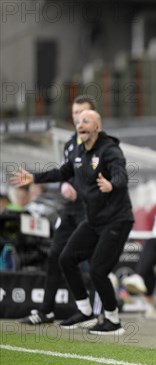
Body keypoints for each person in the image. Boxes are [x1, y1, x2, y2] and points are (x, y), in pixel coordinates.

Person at [11, 109, 134, 335]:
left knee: (98, 269)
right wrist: (34, 178)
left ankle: (113, 321)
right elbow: (63, 172)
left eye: (86, 120)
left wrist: (112, 184)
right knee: (65, 258)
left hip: (117, 220)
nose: (80, 123)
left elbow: (122, 175)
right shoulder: (78, 152)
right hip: (94, 220)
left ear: (97, 127)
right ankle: (84, 310)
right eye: (77, 121)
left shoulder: (110, 150)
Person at [17, 95, 92, 325]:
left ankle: (103, 310)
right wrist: (65, 186)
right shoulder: (71, 144)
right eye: (74, 114)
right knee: (55, 255)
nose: (78, 118)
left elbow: (99, 178)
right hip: (69, 211)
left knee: (96, 262)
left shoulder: (102, 146)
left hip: (91, 212)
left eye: (83, 114)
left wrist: (78, 189)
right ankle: (46, 310)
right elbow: (64, 173)